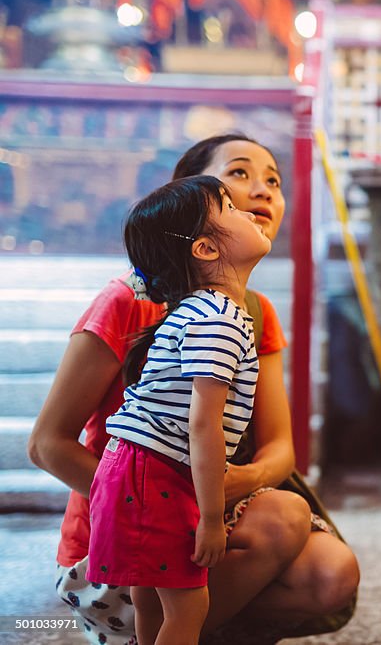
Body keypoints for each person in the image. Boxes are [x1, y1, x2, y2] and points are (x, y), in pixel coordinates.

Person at [28, 134, 359, 645]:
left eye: (273, 180)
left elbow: (279, 452)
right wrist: (153, 499)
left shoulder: (252, 312)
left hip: (199, 501)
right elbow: (46, 445)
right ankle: (148, 632)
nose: (263, 191)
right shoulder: (128, 302)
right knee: (282, 518)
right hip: (122, 532)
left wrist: (210, 497)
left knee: (329, 574)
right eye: (237, 178)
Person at [90, 174, 271, 644]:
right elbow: (203, 424)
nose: (250, 210)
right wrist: (212, 520)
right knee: (189, 605)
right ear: (206, 249)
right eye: (230, 207)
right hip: (158, 472)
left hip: (133, 465)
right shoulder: (219, 318)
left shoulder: (198, 309)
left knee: (151, 598)